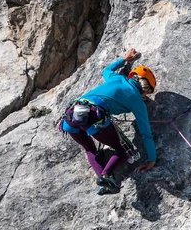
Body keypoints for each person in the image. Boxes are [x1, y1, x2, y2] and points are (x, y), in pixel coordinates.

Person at [59, 48, 157, 194]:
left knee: (90, 149)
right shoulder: (137, 101)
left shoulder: (117, 78)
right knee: (124, 150)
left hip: (72, 113)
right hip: (93, 116)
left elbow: (106, 70)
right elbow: (145, 133)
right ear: (146, 90)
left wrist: (125, 59)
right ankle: (105, 176)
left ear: (133, 76)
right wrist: (152, 159)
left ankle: (103, 183)